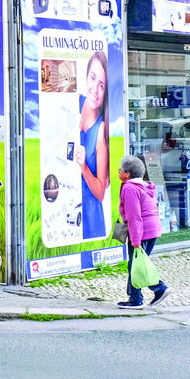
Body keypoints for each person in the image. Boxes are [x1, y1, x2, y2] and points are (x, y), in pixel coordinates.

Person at [117, 155, 170, 309]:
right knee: (136, 264)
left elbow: (134, 216)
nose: (118, 172)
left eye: (120, 170)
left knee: (137, 265)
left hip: (142, 231)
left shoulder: (130, 188)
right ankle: (135, 297)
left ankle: (159, 289)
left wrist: (135, 240)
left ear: (127, 174)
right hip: (152, 229)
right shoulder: (143, 186)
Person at [73, 51, 109, 239]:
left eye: (101, 86)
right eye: (92, 78)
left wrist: (84, 166)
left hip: (90, 218)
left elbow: (101, 192)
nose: (94, 88)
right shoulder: (72, 104)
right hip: (65, 208)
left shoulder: (100, 129)